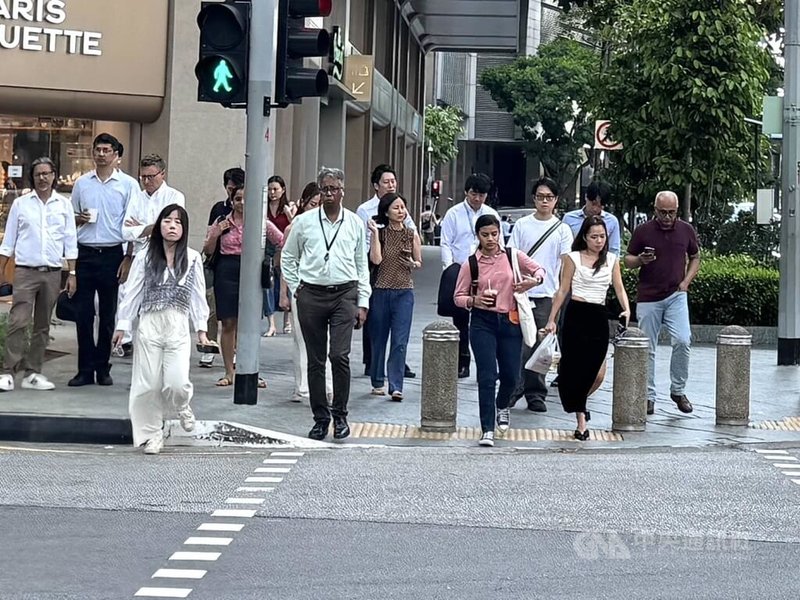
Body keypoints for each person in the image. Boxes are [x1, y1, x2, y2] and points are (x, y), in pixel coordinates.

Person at [281, 166, 371, 441]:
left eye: (334, 188)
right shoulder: (305, 222)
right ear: (319, 191)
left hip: (345, 293)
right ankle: (320, 418)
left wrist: (363, 301)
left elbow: (361, 264)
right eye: (325, 189)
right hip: (312, 294)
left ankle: (340, 415)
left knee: (339, 356)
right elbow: (288, 257)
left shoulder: (354, 222)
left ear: (343, 191)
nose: (329, 193)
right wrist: (297, 289)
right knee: (316, 359)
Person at [112, 204, 210, 455]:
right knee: (148, 385)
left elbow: (198, 296)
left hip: (177, 326)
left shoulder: (193, 258)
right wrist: (123, 326)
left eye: (178, 222)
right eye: (167, 221)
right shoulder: (145, 258)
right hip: (149, 325)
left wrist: (201, 328)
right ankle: (152, 435)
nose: (172, 226)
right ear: (159, 226)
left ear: (184, 229)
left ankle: (182, 404)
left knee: (176, 382)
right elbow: (131, 293)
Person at [454, 214, 545, 447]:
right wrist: (474, 300)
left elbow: (539, 271)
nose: (491, 239)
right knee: (486, 375)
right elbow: (457, 297)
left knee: (511, 376)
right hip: (482, 322)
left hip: (510, 321)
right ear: (478, 236)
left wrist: (531, 282)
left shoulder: (513, 255)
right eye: (485, 235)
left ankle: (502, 404)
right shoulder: (471, 264)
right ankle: (487, 428)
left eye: (494, 234)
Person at [545, 216, 631, 440]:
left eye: (602, 236)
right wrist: (552, 319)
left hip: (598, 317)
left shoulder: (612, 260)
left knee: (598, 373)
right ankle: (581, 420)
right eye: (594, 236)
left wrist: (627, 309)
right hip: (576, 314)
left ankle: (578, 402)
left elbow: (619, 288)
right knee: (574, 368)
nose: (599, 241)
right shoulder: (572, 258)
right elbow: (562, 291)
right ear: (584, 237)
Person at [0, 157, 78, 392]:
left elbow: (70, 241)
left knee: (43, 325)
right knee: (18, 321)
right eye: (38, 174)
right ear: (32, 178)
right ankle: (7, 372)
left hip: (52, 273)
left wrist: (72, 272)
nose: (42, 178)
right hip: (25, 271)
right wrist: (2, 269)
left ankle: (33, 373)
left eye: (47, 173)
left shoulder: (64, 205)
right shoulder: (21, 204)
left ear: (54, 175)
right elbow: (9, 240)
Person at [69, 133, 139, 387]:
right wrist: (80, 219)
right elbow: (71, 219)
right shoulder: (82, 184)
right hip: (85, 252)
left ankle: (103, 367)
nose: (100, 154)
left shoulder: (128, 185)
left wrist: (128, 256)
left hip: (112, 253)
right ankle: (84, 369)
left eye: (106, 150)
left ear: (116, 155)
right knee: (83, 315)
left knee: (108, 315)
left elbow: (133, 223)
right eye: (97, 149)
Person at [624, 190, 700, 416]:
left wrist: (686, 281)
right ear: (654, 209)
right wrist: (640, 260)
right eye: (663, 212)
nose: (667, 217)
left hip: (676, 294)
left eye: (672, 213)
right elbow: (627, 260)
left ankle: (678, 390)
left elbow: (695, 256)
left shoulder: (686, 229)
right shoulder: (643, 231)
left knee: (683, 340)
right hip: (648, 296)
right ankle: (648, 396)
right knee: (648, 347)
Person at [203, 185, 283, 388]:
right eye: (238, 199)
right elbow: (208, 249)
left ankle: (251, 370)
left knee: (250, 324)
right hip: (227, 271)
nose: (242, 203)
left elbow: (282, 240)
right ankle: (229, 371)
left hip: (252, 271)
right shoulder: (222, 222)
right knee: (228, 323)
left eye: (246, 199)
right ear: (232, 201)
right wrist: (215, 234)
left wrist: (275, 260)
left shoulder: (260, 223)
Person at [508, 177, 574, 412]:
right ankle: (513, 387)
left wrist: (561, 293)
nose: (544, 201)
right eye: (540, 196)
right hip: (520, 293)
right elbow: (512, 255)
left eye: (549, 197)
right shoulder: (522, 225)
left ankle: (535, 392)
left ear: (556, 200)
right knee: (518, 342)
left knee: (539, 344)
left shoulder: (562, 229)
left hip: (547, 294)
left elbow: (566, 263)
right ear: (533, 198)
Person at [118, 154, 186, 356]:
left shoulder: (174, 196)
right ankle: (125, 339)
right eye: (143, 177)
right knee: (130, 294)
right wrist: (151, 227)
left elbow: (170, 228)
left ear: (162, 174)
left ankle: (162, 341)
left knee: (162, 301)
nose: (146, 181)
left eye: (151, 176)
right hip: (140, 254)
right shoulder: (137, 197)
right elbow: (125, 231)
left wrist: (144, 228)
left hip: (166, 255)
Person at [355, 164, 416, 380]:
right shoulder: (365, 210)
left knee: (398, 330)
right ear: (375, 185)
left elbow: (413, 234)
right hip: (374, 268)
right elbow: (361, 241)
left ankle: (396, 367)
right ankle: (372, 362)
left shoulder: (401, 208)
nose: (391, 185)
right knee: (373, 320)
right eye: (386, 182)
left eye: (393, 181)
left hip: (399, 271)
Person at [440, 173, 499, 378]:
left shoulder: (491, 215)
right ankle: (462, 361)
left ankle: (487, 363)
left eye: (481, 195)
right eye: (474, 194)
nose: (477, 199)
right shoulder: (453, 214)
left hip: (485, 272)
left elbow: (499, 243)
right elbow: (446, 242)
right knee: (461, 318)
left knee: (486, 318)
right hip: (461, 270)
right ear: (466, 192)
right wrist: (449, 268)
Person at [278, 182, 333, 403]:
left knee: (325, 340)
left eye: (321, 204)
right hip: (300, 288)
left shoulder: (329, 227)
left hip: (326, 288)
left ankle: (327, 385)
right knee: (302, 339)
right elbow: (286, 262)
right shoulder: (294, 227)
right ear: (303, 203)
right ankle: (302, 387)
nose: (317, 208)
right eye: (313, 204)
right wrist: (284, 293)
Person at [366, 192, 422, 401]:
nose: (401, 211)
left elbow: (418, 261)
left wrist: (413, 264)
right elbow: (377, 259)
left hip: (404, 291)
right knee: (379, 338)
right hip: (381, 290)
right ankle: (377, 380)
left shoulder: (411, 234)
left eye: (403, 207)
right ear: (386, 211)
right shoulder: (380, 234)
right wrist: (373, 234)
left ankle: (396, 385)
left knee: (400, 340)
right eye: (396, 208)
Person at [200, 167, 245, 368]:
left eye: (236, 188)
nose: (233, 193)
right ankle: (208, 347)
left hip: (244, 267)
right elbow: (208, 241)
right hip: (220, 264)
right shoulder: (220, 210)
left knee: (238, 316)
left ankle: (236, 352)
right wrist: (217, 232)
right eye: (230, 189)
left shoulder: (252, 211)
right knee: (213, 309)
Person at [265, 175, 293, 336]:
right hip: (268, 250)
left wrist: (289, 214)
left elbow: (295, 225)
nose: (272, 192)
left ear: (283, 190)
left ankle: (287, 320)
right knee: (268, 284)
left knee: (286, 281)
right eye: (269, 189)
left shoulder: (288, 207)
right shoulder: (265, 208)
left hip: (285, 249)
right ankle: (271, 323)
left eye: (275, 189)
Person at [563, 180, 621, 256]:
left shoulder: (612, 221)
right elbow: (564, 248)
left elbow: (614, 251)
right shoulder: (569, 218)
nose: (595, 209)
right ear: (586, 197)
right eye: (593, 204)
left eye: (600, 206)